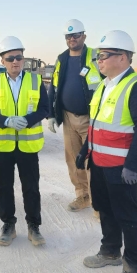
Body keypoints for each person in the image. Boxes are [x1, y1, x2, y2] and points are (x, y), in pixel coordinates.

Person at [76, 30, 137, 273]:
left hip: (122, 168)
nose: (98, 61)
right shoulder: (104, 85)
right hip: (99, 164)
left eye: (103, 56)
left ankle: (132, 266)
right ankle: (110, 251)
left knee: (128, 216)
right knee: (105, 210)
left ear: (122, 57)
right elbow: (96, 124)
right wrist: (85, 151)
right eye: (98, 56)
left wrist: (133, 165)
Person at [0, 36, 49, 247]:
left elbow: (45, 108)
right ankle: (8, 225)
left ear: (23, 58)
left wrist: (28, 120)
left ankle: (33, 226)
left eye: (19, 57)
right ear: (2, 61)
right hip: (3, 145)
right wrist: (6, 121)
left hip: (28, 144)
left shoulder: (35, 81)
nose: (15, 61)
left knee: (31, 187)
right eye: (10, 58)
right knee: (4, 187)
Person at [47, 19, 102, 216]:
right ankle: (83, 195)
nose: (72, 39)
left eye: (76, 35)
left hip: (92, 119)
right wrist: (52, 115)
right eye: (68, 36)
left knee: (94, 162)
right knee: (73, 160)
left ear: (84, 36)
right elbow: (53, 87)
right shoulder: (61, 59)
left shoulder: (95, 56)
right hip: (68, 118)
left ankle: (99, 203)